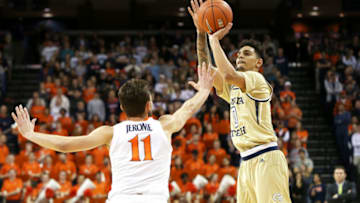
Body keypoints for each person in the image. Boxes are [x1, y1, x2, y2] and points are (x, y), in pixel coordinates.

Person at [11, 62, 215, 203]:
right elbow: (188, 108)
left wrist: (31, 134)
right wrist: (204, 90)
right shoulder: (164, 125)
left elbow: (65, 145)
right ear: (149, 105)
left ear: (122, 108)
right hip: (154, 198)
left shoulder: (110, 132)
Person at [188, 0, 291, 202]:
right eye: (238, 54)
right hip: (246, 161)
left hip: (266, 157)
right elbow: (205, 66)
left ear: (258, 62)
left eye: (247, 54)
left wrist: (214, 40)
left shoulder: (256, 79)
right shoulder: (233, 87)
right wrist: (201, 32)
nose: (240, 57)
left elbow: (228, 74)